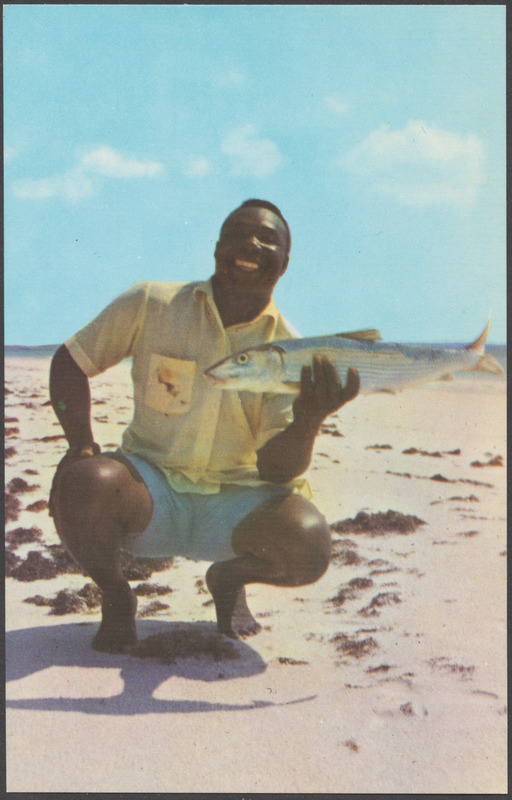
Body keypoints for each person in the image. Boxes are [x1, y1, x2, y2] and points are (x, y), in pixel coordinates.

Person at [49, 199, 360, 653]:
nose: (250, 243)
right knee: (83, 481)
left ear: (285, 264)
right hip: (149, 492)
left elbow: (276, 472)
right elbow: (69, 363)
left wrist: (309, 419)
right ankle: (116, 596)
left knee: (310, 543)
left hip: (236, 508)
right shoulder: (151, 302)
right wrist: (81, 446)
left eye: (267, 239)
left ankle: (228, 578)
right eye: (237, 233)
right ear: (217, 248)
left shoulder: (291, 351)